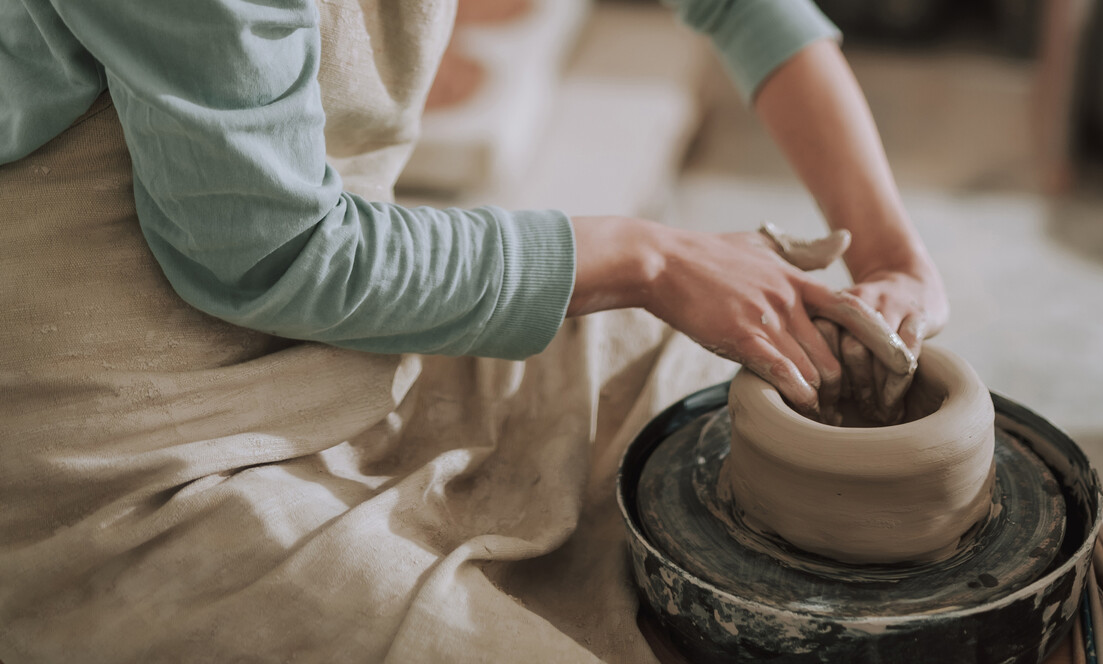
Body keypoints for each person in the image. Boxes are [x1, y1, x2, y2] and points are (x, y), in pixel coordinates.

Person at [0, 0, 946, 661]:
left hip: (349, 341)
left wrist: (892, 251)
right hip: (122, 451)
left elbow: (738, 3)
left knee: (706, 382)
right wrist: (649, 260)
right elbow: (267, 253)